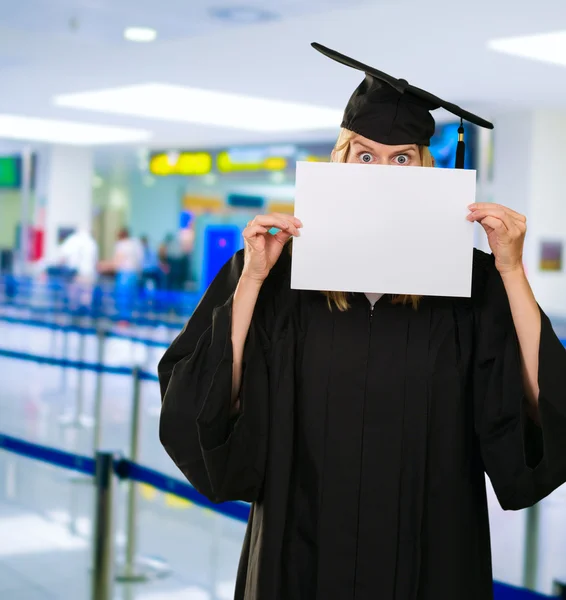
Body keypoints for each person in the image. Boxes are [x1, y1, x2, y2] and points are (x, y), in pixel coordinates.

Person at [158, 43, 566, 600]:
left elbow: (542, 408)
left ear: (426, 167)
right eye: (366, 155)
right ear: (340, 160)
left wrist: (512, 269)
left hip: (432, 552)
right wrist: (251, 280)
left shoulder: (472, 284)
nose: (383, 171)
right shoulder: (276, 272)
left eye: (402, 157)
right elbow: (201, 404)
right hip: (297, 550)